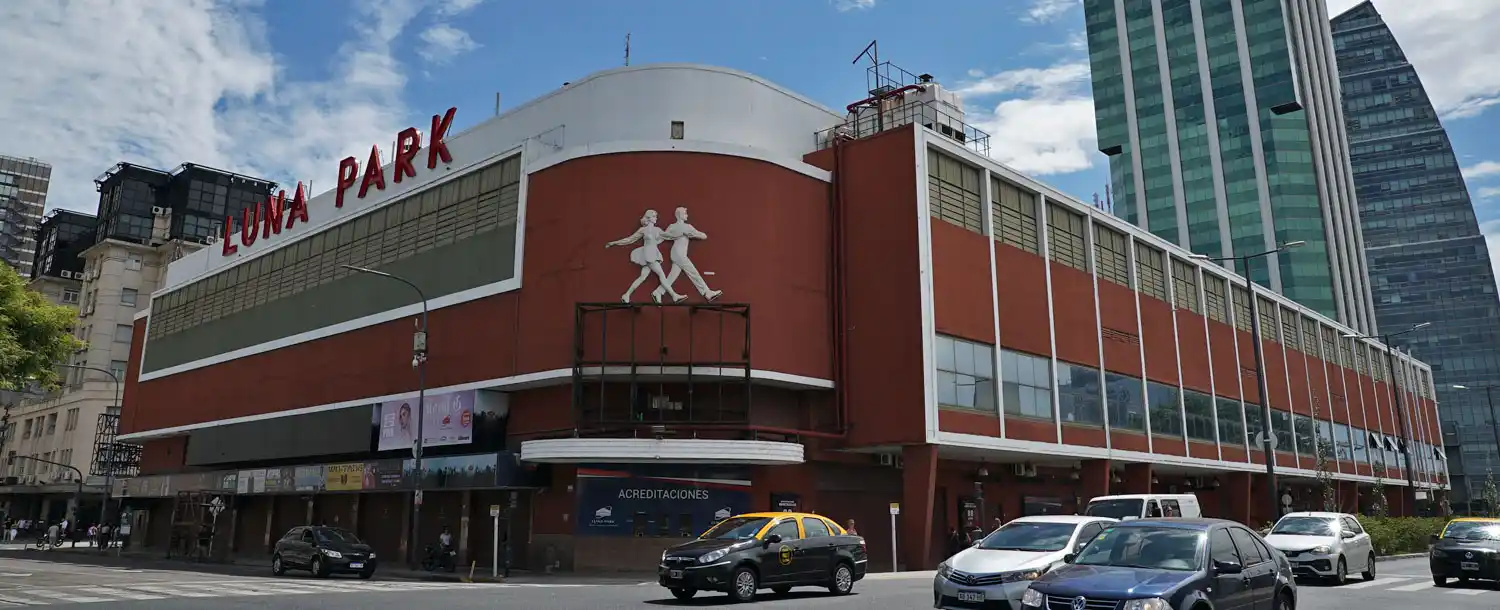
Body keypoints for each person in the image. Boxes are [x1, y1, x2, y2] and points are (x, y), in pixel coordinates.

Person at [606, 209, 686, 304]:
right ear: (649, 218)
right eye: (654, 216)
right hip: (648, 254)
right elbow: (630, 239)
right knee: (661, 275)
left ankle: (626, 295)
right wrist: (614, 243)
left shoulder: (657, 230)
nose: (656, 218)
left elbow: (669, 236)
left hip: (652, 253)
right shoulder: (643, 230)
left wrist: (681, 232)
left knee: (642, 277)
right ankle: (674, 296)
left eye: (656, 216)